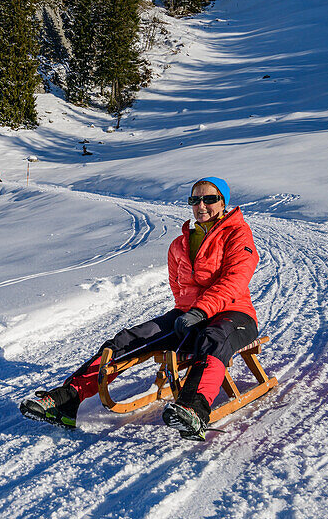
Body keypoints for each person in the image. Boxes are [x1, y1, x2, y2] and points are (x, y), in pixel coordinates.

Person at [20, 177, 260, 437]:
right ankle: (66, 400)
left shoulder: (237, 233)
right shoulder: (179, 244)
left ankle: (194, 410)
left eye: (209, 199)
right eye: (195, 199)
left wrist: (201, 311)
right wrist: (186, 313)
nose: (201, 205)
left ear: (223, 202)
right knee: (130, 338)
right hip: (190, 316)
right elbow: (177, 286)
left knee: (213, 338)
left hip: (234, 315)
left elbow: (234, 279)